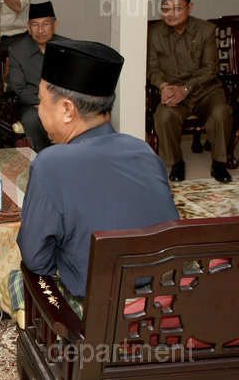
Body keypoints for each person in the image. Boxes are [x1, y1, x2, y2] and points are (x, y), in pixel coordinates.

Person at [17, 39, 180, 316]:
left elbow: (36, 260)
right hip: (167, 300)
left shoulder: (50, 164)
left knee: (17, 278)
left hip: (102, 315)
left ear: (67, 110)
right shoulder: (143, 150)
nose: (38, 110)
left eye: (41, 101)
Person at [148, 0, 233, 183]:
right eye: (166, 8)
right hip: (173, 92)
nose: (171, 13)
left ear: (190, 7)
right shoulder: (154, 33)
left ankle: (219, 163)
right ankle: (177, 163)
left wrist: (186, 88)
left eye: (177, 8)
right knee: (164, 116)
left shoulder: (206, 30)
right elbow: (152, 68)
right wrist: (164, 87)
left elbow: (210, 69)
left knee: (221, 112)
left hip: (206, 91)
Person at [8, 1, 67, 152]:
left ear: (55, 25)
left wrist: (59, 105)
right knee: (31, 119)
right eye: (35, 25)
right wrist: (43, 104)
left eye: (45, 24)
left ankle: (70, 157)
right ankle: (44, 157)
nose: (40, 30)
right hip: (32, 104)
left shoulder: (68, 47)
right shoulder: (17, 50)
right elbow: (17, 88)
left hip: (63, 103)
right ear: (28, 27)